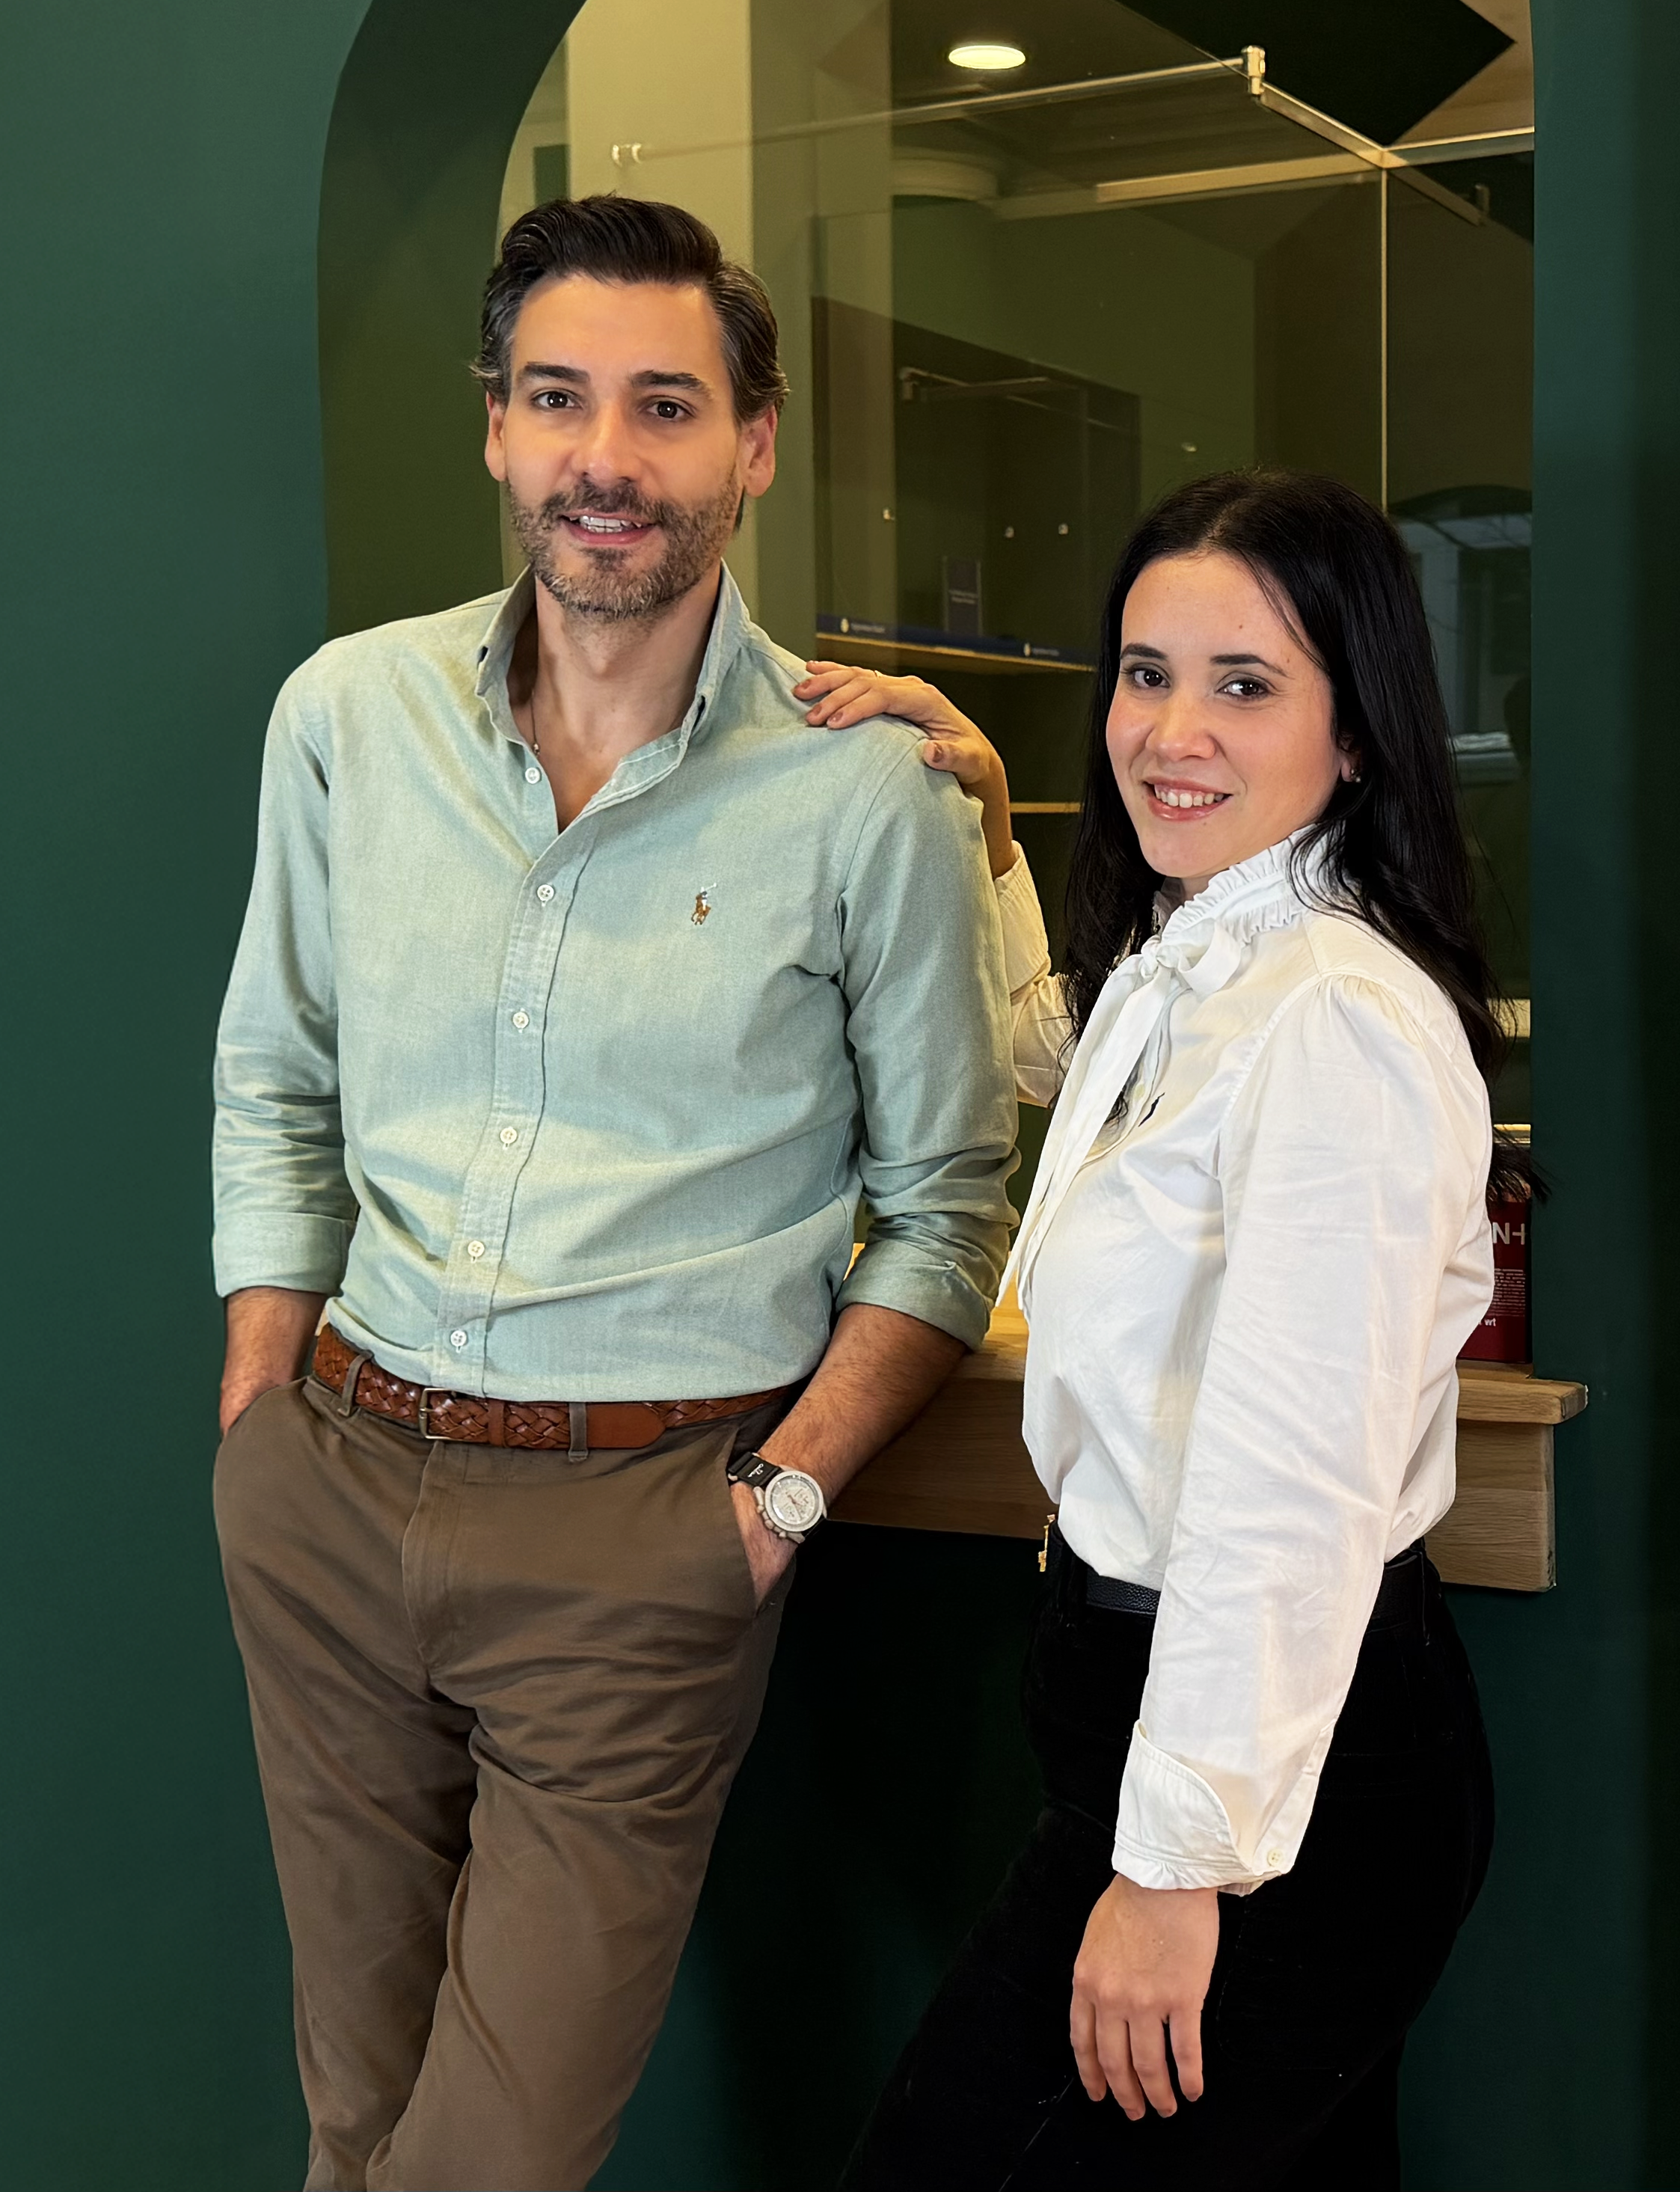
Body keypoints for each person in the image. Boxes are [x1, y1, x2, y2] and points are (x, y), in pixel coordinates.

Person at [210, 194, 1016, 2192]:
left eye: (667, 407)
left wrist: (776, 1502)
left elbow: (944, 1200)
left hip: (644, 1536)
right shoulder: (345, 720)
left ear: (753, 445)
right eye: (559, 398)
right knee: (355, 2122)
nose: (606, 458)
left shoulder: (870, 797)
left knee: (481, 2164)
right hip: (334, 1485)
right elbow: (274, 1084)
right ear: (493, 425)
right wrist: (259, 1418)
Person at [797, 468, 1500, 2188]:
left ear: (1357, 729)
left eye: (1241, 683)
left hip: (1271, 1769)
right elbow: (1064, 1058)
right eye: (1140, 672)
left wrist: (1176, 1863)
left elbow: (1286, 1479)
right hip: (1163, 1718)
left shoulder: (1330, 1014)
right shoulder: (1204, 957)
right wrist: (980, 815)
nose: (1169, 729)